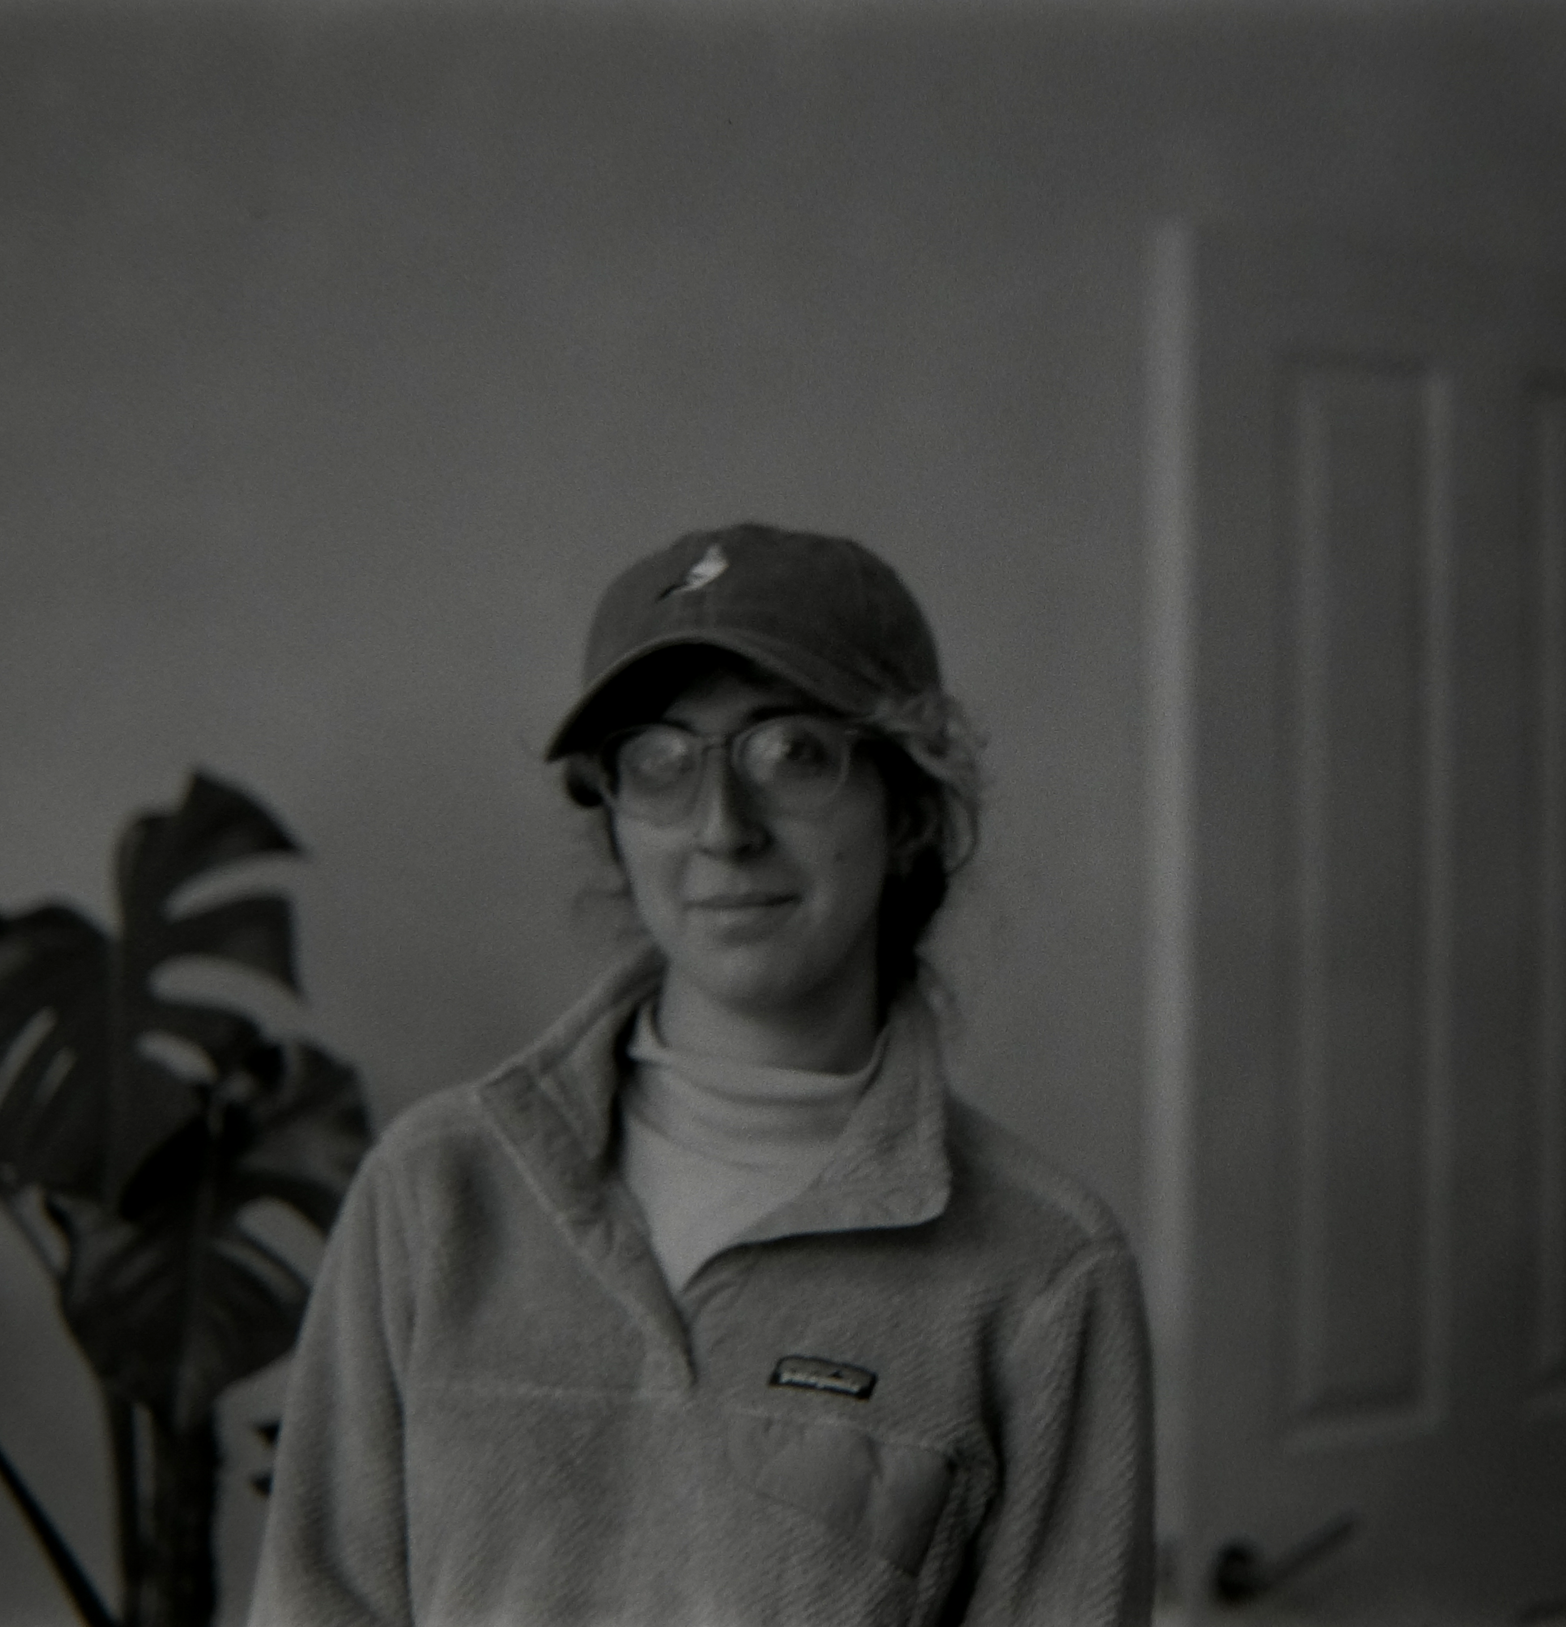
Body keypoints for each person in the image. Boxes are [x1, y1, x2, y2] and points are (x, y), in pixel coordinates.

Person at [251, 523, 1152, 1627]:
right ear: (614, 819)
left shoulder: (1042, 1272)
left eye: (793, 752)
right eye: (660, 762)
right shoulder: (435, 1193)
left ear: (911, 807)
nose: (723, 827)